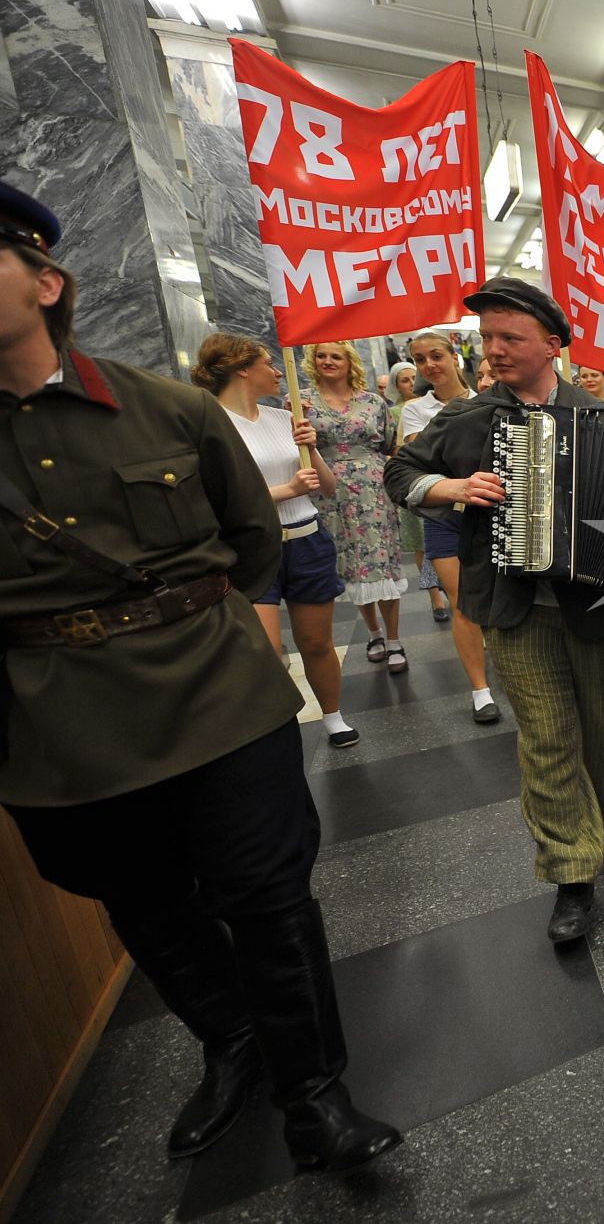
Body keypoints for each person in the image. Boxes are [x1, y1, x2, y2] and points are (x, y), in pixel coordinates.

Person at [0, 181, 400, 1173]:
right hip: (59, 725)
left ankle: (314, 1092)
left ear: (46, 281)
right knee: (142, 900)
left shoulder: (165, 410)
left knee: (267, 894)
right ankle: (232, 1040)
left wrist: (207, 637)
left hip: (217, 698)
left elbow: (252, 538)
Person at [386, 277, 604, 943]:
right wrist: (451, 487)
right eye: (487, 339)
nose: (495, 350)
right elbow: (400, 475)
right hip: (515, 606)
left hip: (598, 598)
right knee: (545, 736)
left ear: (552, 344)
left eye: (511, 337)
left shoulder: (600, 415)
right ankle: (572, 870)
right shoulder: (471, 416)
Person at [193, 334, 358, 749]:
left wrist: (312, 449)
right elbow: (216, 501)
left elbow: (328, 487)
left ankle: (334, 717)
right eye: (267, 362)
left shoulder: (283, 419)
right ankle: (276, 728)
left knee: (317, 642)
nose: (276, 370)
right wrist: (286, 489)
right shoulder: (211, 425)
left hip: (307, 539)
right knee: (267, 650)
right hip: (254, 545)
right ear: (242, 369)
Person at [401, 330, 499, 724]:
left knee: (497, 594)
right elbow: (418, 457)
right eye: (421, 359)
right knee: (462, 603)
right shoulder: (414, 409)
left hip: (487, 509)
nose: (430, 365)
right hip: (444, 514)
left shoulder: (489, 401)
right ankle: (480, 689)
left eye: (436, 355)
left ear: (455, 357)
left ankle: (509, 665)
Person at [304, 341, 411, 673]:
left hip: (373, 490)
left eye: (336, 356)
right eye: (321, 355)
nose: (328, 361)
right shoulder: (302, 402)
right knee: (353, 565)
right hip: (330, 493)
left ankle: (394, 639)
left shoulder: (373, 402)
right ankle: (374, 633)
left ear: (349, 362)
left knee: (381, 561)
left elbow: (391, 445)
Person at [386, 360, 449, 622]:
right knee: (423, 543)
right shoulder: (399, 412)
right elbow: (398, 448)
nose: (411, 383)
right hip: (417, 477)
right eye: (404, 380)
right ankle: (434, 594)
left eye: (414, 378)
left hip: (445, 480)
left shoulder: (441, 403)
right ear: (396, 386)